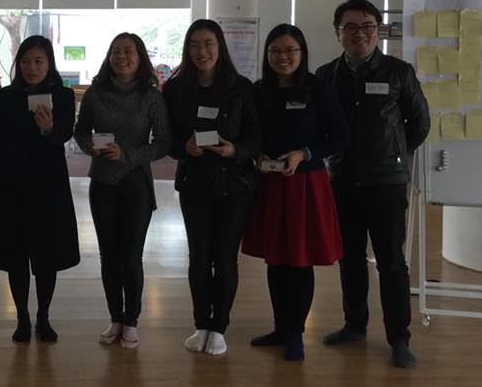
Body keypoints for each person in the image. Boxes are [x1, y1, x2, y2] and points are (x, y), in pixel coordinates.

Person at [316, 0, 430, 369]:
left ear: (377, 30)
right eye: (349, 27)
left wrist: (394, 152)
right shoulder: (326, 75)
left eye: (366, 26)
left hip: (387, 182)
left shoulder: (399, 72)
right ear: (338, 32)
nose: (359, 33)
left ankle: (399, 338)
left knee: (391, 261)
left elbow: (420, 122)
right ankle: (354, 325)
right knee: (349, 258)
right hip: (343, 180)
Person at [243, 24, 349, 361]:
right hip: (270, 184)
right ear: (267, 54)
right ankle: (279, 328)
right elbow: (250, 133)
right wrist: (257, 154)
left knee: (300, 260)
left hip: (306, 184)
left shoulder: (318, 89)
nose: (283, 57)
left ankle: (296, 334)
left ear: (302, 53)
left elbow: (341, 137)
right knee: (276, 259)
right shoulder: (259, 91)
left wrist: (304, 153)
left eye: (290, 50)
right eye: (275, 50)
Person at [162, 19, 261, 356]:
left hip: (235, 185)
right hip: (195, 183)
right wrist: (183, 148)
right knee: (199, 257)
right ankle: (201, 324)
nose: (201, 51)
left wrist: (236, 150)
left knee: (226, 258)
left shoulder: (241, 87)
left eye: (208, 44)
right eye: (194, 45)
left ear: (220, 47)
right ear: (186, 50)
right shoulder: (175, 90)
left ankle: (219, 327)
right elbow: (167, 138)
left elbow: (255, 134)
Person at [73, 32, 171, 349]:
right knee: (108, 257)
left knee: (131, 257)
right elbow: (80, 130)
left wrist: (127, 154)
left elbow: (163, 143)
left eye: (128, 51)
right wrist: (89, 146)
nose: (122, 57)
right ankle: (115, 318)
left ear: (140, 57)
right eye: (116, 51)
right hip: (102, 182)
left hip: (136, 183)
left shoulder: (151, 96)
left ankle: (131, 321)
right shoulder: (95, 93)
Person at [0, 36, 80, 343]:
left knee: (47, 256)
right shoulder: (5, 97)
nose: (32, 67)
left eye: (39, 61)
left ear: (49, 63)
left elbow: (65, 133)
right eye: (26, 61)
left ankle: (44, 317)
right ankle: (22, 318)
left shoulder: (63, 95)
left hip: (49, 186)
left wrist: (49, 129)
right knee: (16, 256)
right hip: (12, 186)